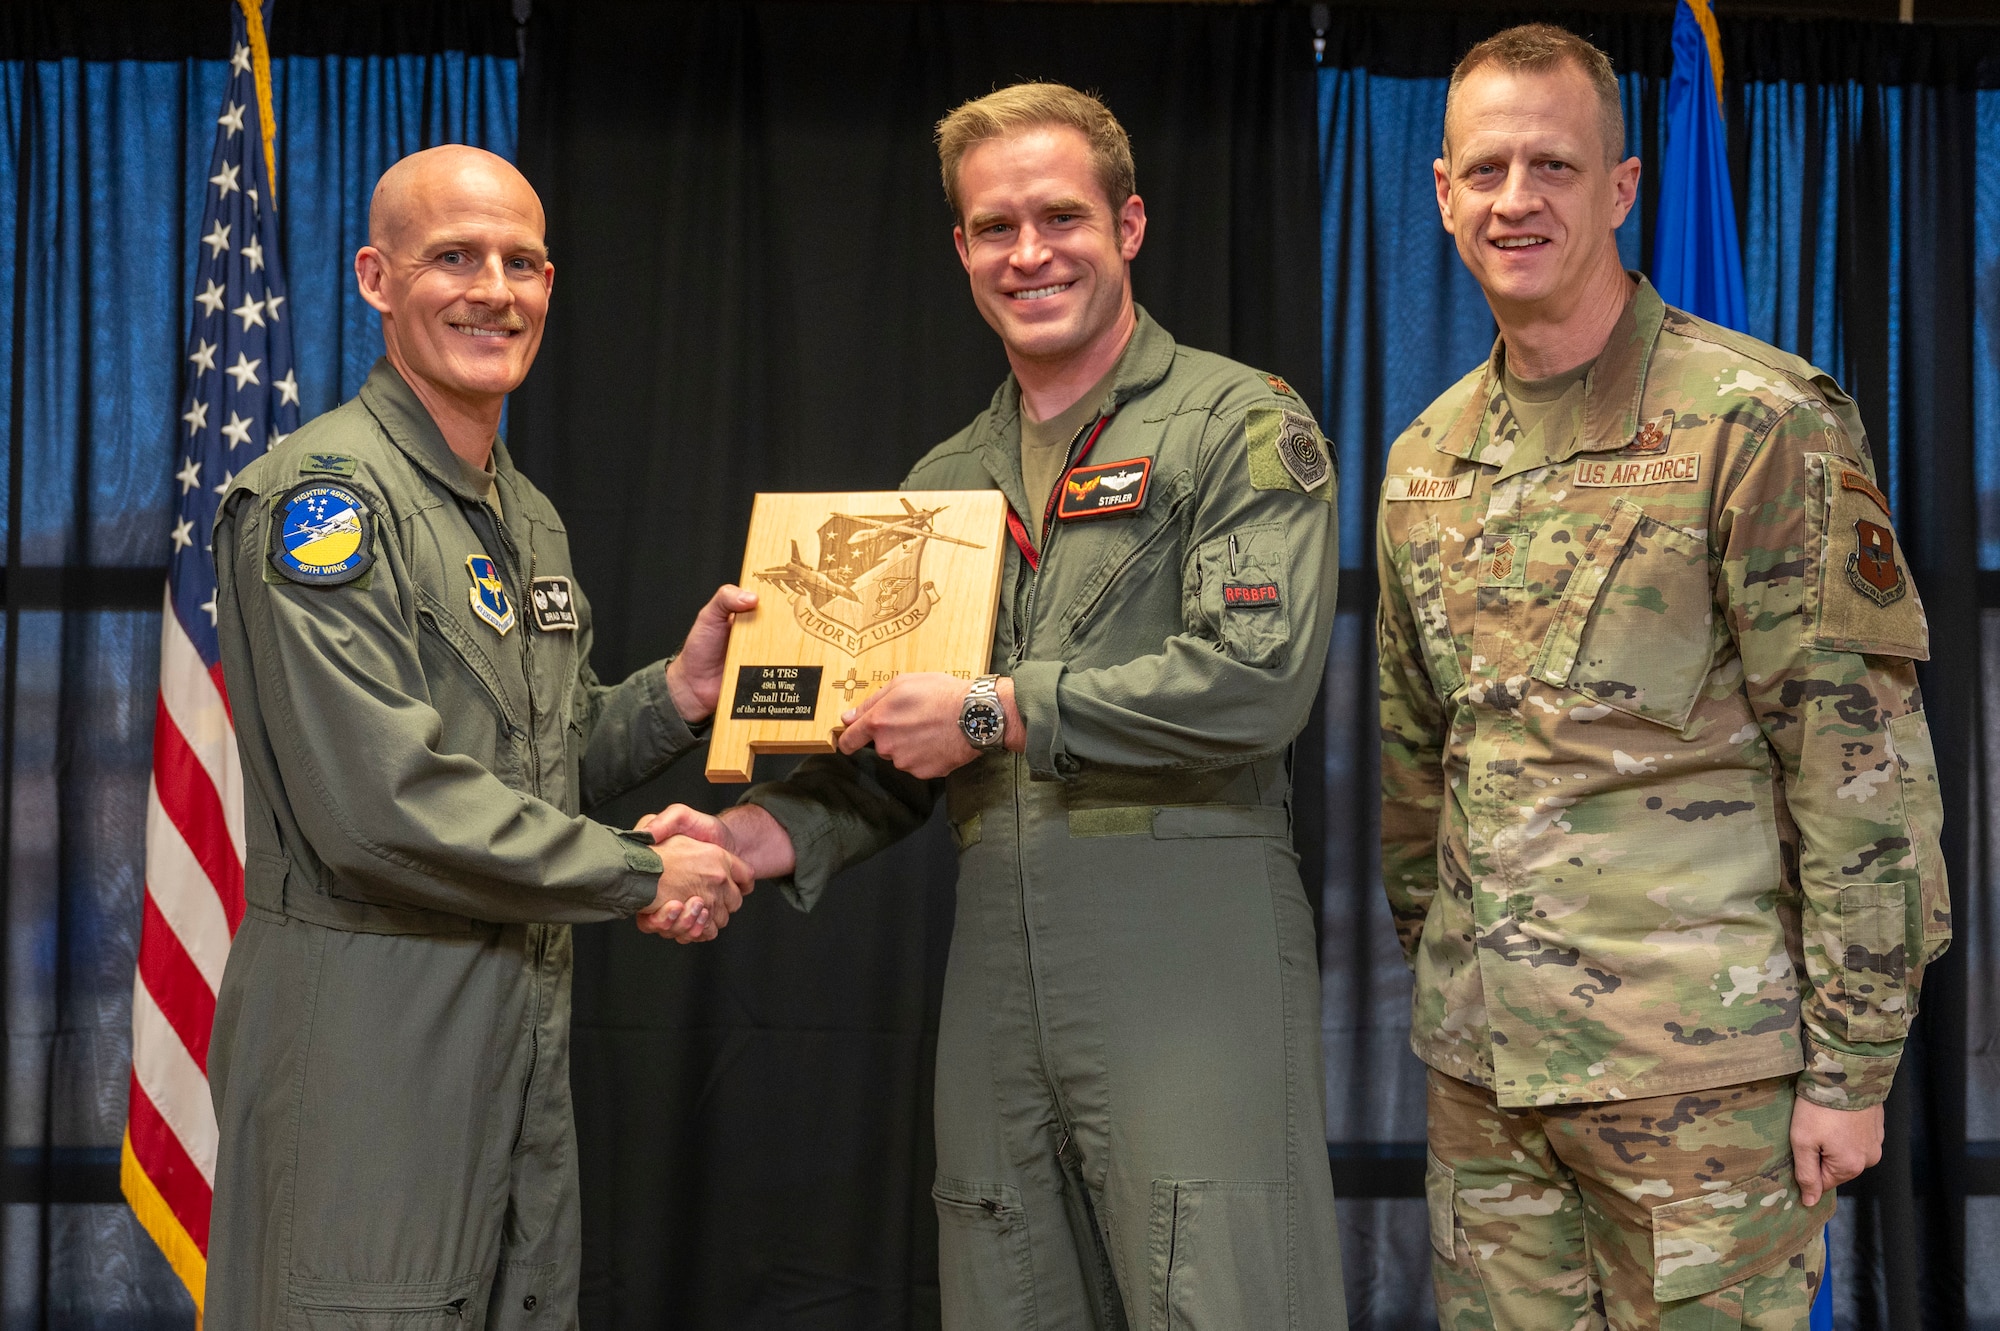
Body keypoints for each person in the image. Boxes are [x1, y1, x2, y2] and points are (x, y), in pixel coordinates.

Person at [650, 83, 1348, 1329]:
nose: (1028, 253)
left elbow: (1254, 680)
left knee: (1221, 1285)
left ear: (1128, 225)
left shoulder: (1236, 421)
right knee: (1003, 1277)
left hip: (1188, 939)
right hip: (997, 955)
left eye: (1059, 216)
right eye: (992, 227)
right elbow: (890, 749)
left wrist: (990, 707)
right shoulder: (942, 487)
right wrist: (754, 841)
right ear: (959, 250)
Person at [1375, 26, 1950, 1330]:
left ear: (1624, 188)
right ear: (1443, 193)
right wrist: (1458, 974)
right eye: (1487, 169)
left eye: (1555, 165)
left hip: (1702, 1086)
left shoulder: (1758, 421)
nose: (1517, 198)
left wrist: (1853, 1060)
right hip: (1487, 1086)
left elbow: (1860, 765)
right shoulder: (1425, 457)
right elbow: (1419, 767)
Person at [206, 146, 758, 1328]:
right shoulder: (323, 505)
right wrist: (646, 872)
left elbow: (538, 770)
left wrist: (680, 692)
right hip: (368, 1029)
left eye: (521, 262)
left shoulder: (522, 513)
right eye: (452, 257)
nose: (492, 290)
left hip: (515, 1022)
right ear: (375, 276)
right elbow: (381, 808)